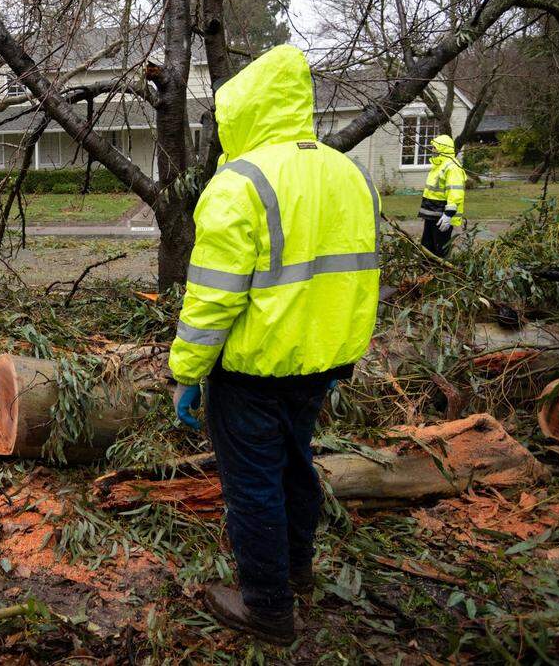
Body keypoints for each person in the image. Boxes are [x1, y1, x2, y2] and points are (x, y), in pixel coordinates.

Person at [169, 45, 380, 646]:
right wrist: (345, 358)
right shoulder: (347, 173)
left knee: (254, 484)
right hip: (319, 365)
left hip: (252, 372)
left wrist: (186, 373)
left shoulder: (241, 181)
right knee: (296, 466)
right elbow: (362, 278)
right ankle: (297, 572)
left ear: (245, 110)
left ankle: (267, 609)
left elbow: (213, 298)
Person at [418, 135, 466, 258]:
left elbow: (455, 192)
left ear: (442, 149)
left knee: (440, 251)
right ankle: (426, 274)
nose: (432, 150)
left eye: (434, 147)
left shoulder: (452, 167)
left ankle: (440, 273)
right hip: (432, 215)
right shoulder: (438, 165)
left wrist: (448, 214)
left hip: (442, 217)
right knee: (427, 247)